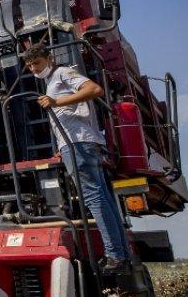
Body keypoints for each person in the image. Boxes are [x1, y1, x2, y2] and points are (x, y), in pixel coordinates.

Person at [22, 43, 130, 275]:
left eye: (37, 63)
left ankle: (115, 256)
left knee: (94, 198)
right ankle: (121, 254)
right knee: (103, 198)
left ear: (49, 59)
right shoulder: (51, 82)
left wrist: (56, 102)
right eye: (30, 65)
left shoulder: (62, 73)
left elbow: (94, 89)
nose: (33, 68)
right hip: (76, 144)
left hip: (79, 143)